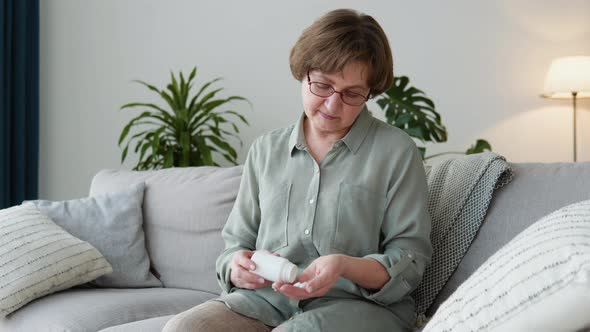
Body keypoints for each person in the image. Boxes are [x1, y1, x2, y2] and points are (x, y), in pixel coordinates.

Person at [163, 8, 432, 332]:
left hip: (355, 307)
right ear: (302, 73)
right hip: (263, 301)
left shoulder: (396, 152)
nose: (333, 106)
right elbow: (235, 244)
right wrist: (237, 267)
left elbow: (410, 259)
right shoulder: (266, 150)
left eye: (352, 94)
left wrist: (344, 266)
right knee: (185, 328)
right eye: (322, 85)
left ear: (369, 93)